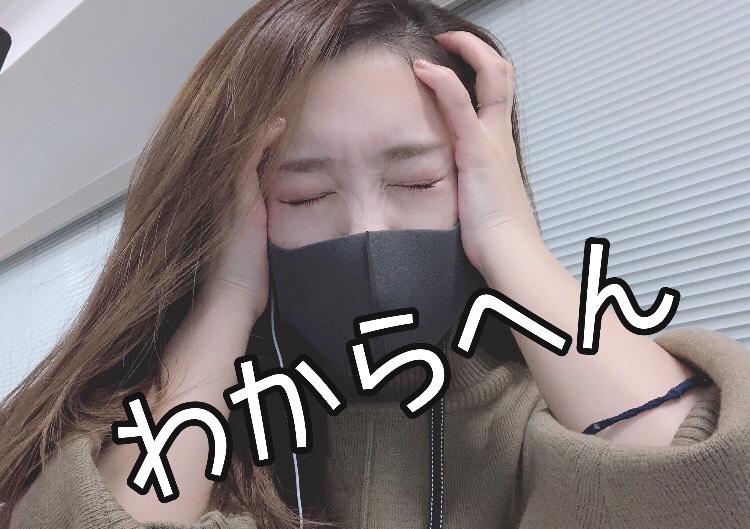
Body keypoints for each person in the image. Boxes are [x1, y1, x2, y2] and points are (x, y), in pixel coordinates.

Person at [2, 0, 749, 527]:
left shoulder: (550, 420)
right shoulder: (189, 443)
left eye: (419, 182)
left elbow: (710, 493)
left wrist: (513, 246)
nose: (366, 231)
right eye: (303, 195)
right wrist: (225, 300)